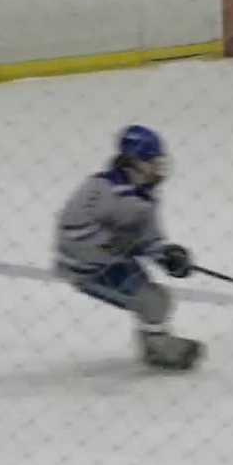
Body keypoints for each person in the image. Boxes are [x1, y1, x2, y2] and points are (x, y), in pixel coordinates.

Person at [54, 125, 202, 370]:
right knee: (151, 300)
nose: (158, 167)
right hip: (86, 268)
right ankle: (157, 348)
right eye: (151, 161)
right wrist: (109, 245)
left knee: (158, 299)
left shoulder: (145, 195)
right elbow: (72, 232)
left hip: (113, 261)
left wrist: (167, 256)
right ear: (133, 162)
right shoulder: (101, 189)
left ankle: (155, 342)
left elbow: (148, 239)